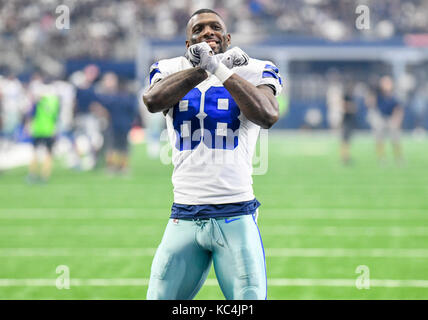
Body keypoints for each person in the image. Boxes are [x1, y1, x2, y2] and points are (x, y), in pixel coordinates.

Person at [143, 9, 282, 300]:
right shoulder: (169, 68)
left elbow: (268, 115)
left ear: (227, 37)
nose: (208, 32)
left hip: (235, 213)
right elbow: (153, 101)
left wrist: (222, 70)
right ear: (188, 43)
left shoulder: (254, 68)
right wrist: (204, 68)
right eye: (199, 29)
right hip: (184, 214)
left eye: (215, 27)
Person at [26, 79, 60, 183]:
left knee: (35, 152)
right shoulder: (55, 100)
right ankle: (45, 176)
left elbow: (31, 114)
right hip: (50, 129)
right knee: (49, 153)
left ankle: (32, 175)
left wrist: (28, 126)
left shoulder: (38, 100)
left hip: (38, 129)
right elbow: (56, 116)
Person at [366, 76, 404, 164]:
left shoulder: (394, 95)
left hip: (391, 118)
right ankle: (381, 158)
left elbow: (398, 109)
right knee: (379, 139)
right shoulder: (378, 95)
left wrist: (397, 120)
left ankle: (398, 158)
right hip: (381, 118)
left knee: (395, 139)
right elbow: (370, 104)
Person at [340, 90, 357, 165]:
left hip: (349, 122)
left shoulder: (350, 99)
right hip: (346, 122)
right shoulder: (345, 101)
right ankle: (344, 157)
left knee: (347, 141)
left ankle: (346, 157)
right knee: (345, 141)